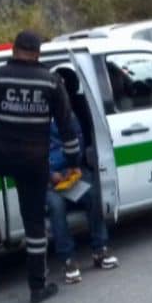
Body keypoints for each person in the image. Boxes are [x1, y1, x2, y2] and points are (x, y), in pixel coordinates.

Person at [0, 30, 79, 303]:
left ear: (13, 50)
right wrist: (73, 165)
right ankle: (38, 288)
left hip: (1, 156)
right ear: (38, 53)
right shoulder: (51, 83)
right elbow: (67, 129)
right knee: (35, 226)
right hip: (34, 165)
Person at [45, 68, 119, 285]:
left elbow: (77, 145)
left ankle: (100, 250)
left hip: (69, 176)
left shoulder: (71, 114)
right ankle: (68, 259)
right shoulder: (37, 117)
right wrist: (51, 175)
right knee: (57, 208)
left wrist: (72, 168)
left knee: (93, 195)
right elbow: (31, 154)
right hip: (47, 180)